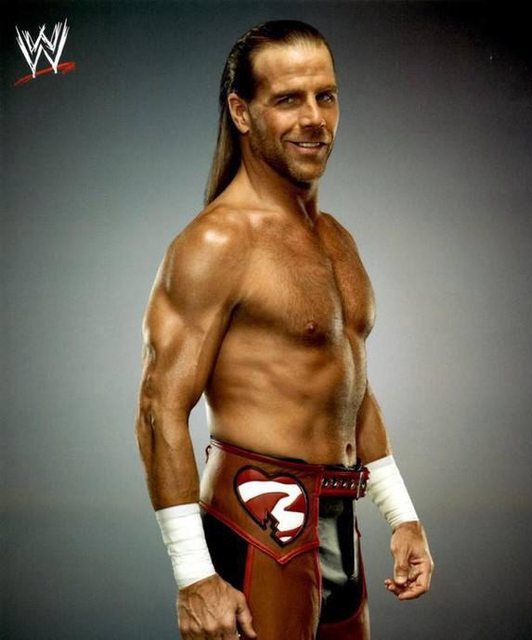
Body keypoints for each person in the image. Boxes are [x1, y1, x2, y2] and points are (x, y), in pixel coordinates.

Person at [136, 20, 433, 640]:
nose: (314, 118)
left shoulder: (336, 239)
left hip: (340, 526)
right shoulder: (216, 242)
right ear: (241, 113)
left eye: (326, 96)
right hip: (256, 530)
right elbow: (159, 409)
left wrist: (401, 514)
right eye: (288, 99)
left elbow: (349, 388)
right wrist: (194, 576)